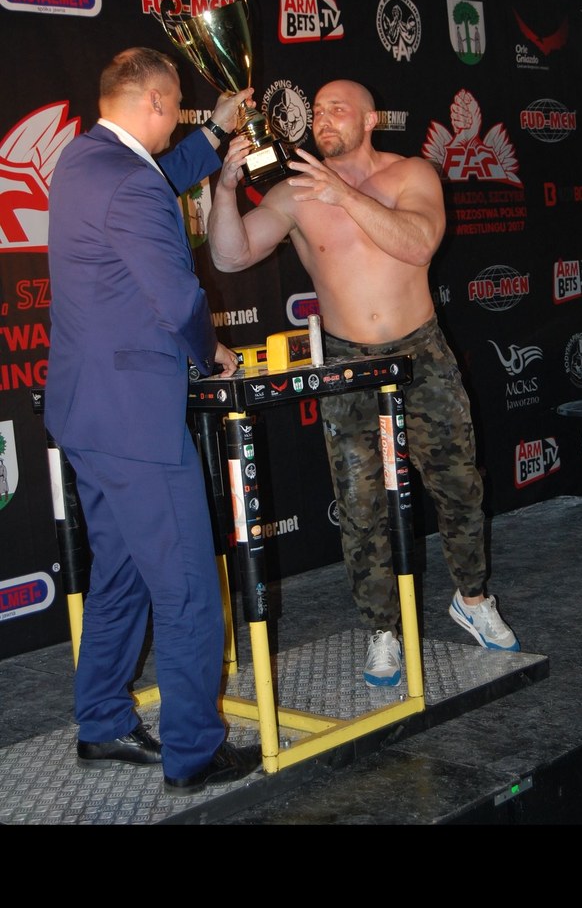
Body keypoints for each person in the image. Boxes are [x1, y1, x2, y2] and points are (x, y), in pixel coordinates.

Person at [207, 78, 520, 689]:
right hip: (347, 362)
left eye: (338, 109)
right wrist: (223, 190)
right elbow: (230, 255)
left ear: (370, 119)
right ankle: (382, 629)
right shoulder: (297, 192)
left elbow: (418, 244)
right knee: (359, 500)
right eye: (317, 112)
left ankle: (473, 599)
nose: (324, 120)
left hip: (420, 351)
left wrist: (345, 195)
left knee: (458, 483)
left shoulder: (412, 174)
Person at [44, 47, 261, 794]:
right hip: (136, 420)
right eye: (177, 112)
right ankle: (194, 752)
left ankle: (103, 722)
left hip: (87, 412)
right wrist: (212, 353)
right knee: (188, 587)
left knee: (124, 573)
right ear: (158, 103)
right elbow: (176, 300)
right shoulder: (131, 181)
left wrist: (214, 136)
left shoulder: (81, 161)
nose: (177, 125)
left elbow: (151, 177)